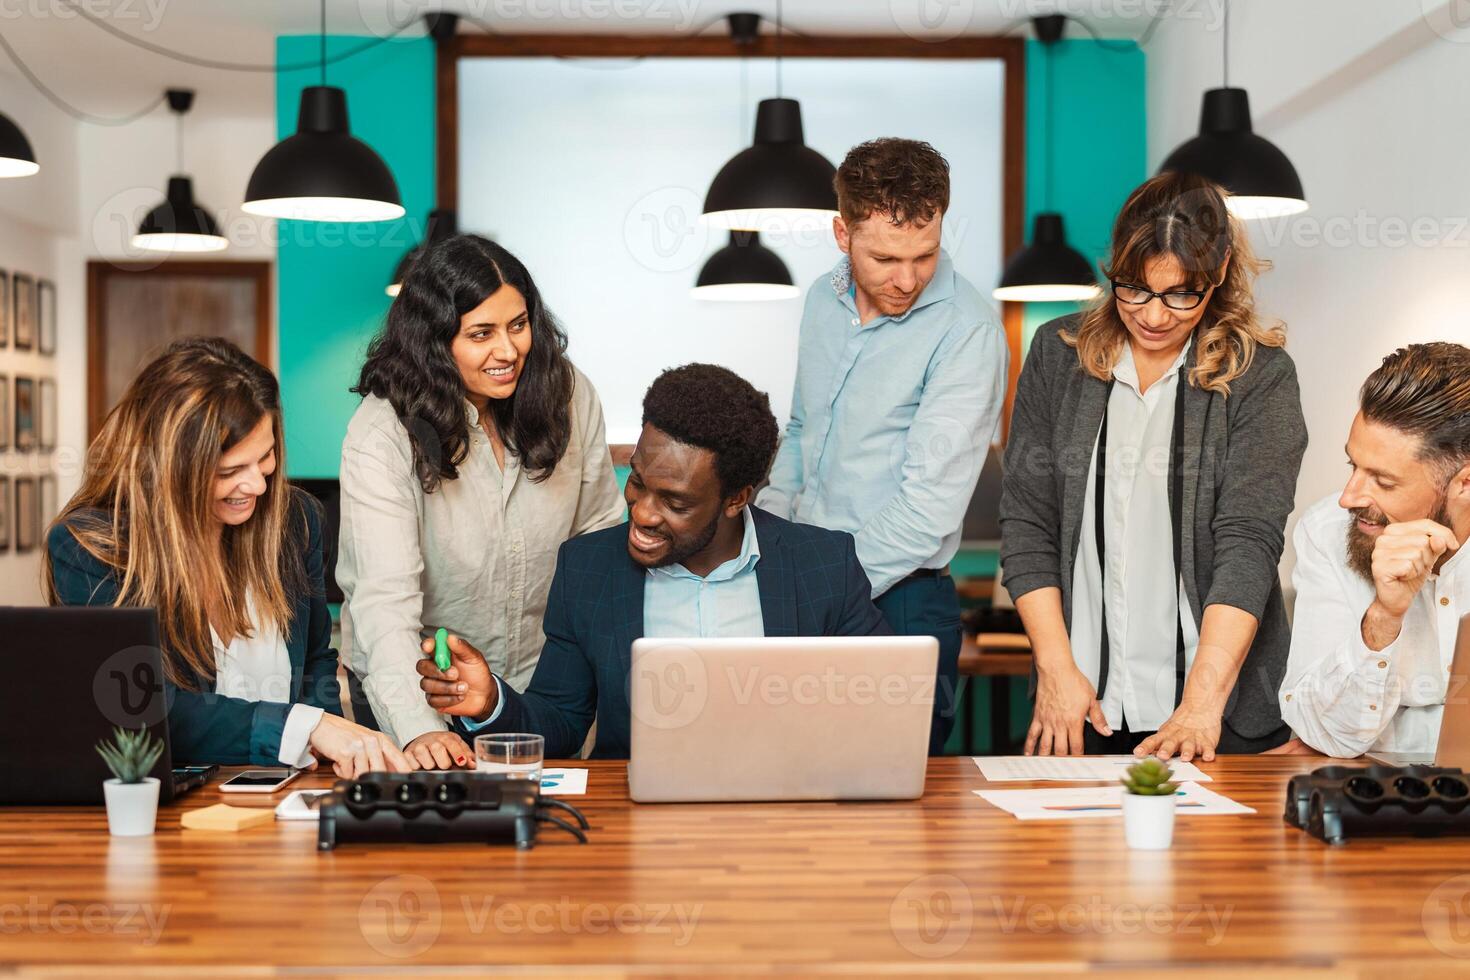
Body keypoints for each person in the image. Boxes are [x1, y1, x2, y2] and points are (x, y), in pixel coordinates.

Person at [414, 364, 891, 758]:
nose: (641, 513)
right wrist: (490, 703)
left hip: (791, 819)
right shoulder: (588, 569)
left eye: (675, 503)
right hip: (635, 828)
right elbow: (560, 722)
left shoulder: (823, 565)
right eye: (638, 481)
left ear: (736, 498)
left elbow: (880, 711)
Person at [1000, 171, 1308, 761]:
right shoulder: (1056, 356)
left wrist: (1200, 706)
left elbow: (1248, 543)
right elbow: (1027, 522)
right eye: (1135, 289)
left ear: (1217, 276)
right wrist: (1056, 668)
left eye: (1181, 294)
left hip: (1214, 715)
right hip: (1081, 707)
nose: (1155, 315)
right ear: (1115, 267)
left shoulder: (1259, 377)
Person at [46, 338, 411, 776]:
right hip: (167, 811)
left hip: (286, 796)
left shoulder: (298, 522)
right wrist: (303, 727)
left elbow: (316, 657)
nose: (258, 485)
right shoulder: (92, 547)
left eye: (266, 456)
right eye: (230, 471)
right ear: (170, 469)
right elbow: (137, 707)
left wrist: (322, 746)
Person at [757, 138, 1009, 754]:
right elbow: (801, 431)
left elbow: (926, 515)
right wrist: (760, 548)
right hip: (804, 585)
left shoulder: (967, 332)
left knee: (892, 820)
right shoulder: (822, 298)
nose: (907, 279)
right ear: (843, 234)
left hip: (898, 602)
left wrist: (811, 591)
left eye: (925, 255)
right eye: (886, 258)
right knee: (786, 786)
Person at [338, 235, 625, 769]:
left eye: (518, 325)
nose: (509, 350)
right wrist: (419, 731)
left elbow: (599, 545)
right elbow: (383, 601)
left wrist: (594, 686)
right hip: (423, 699)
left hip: (546, 701)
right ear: (434, 341)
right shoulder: (382, 432)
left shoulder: (568, 394)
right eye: (481, 334)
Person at [1281, 343, 1470, 758]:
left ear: (1465, 484)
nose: (1349, 498)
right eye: (1353, 467)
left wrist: (1406, 728)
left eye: (1383, 482)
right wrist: (1384, 617)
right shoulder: (1326, 532)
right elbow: (1323, 731)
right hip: (1371, 795)